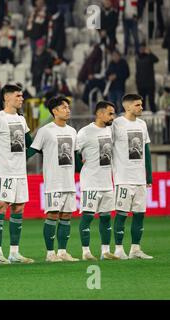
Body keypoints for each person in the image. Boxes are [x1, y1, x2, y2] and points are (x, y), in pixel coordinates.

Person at [0, 84, 35, 264]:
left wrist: (24, 157)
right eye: (18, 96)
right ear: (7, 97)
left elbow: (30, 144)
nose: (21, 99)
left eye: (22, 96)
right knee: (1, 207)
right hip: (4, 172)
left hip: (20, 173)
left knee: (18, 208)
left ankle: (14, 252)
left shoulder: (21, 119)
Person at [28, 95, 80, 262]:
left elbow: (76, 157)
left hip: (69, 182)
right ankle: (50, 253)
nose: (68, 110)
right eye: (64, 107)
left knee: (66, 216)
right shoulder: (45, 130)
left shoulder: (72, 131)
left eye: (68, 107)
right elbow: (33, 150)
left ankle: (63, 252)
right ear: (55, 111)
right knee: (52, 215)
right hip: (53, 182)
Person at [77, 101, 120, 261]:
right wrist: (78, 164)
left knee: (106, 217)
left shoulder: (112, 131)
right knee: (87, 217)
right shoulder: (85, 132)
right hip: (91, 182)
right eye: (110, 113)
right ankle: (86, 251)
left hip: (107, 183)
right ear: (100, 114)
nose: (113, 117)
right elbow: (75, 152)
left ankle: (105, 251)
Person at [112, 94, 153, 259]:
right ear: (127, 107)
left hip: (140, 179)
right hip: (123, 178)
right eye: (138, 105)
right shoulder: (116, 124)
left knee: (139, 214)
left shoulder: (142, 124)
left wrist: (148, 176)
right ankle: (119, 249)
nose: (141, 107)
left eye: (141, 104)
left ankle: (135, 249)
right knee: (121, 214)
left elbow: (147, 151)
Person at [135, 45, 159, 113]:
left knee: (151, 101)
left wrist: (150, 53)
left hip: (150, 83)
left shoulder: (149, 56)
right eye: (140, 48)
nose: (142, 50)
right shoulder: (137, 58)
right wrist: (137, 81)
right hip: (141, 84)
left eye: (143, 48)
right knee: (142, 102)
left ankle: (154, 114)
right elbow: (137, 71)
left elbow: (156, 60)